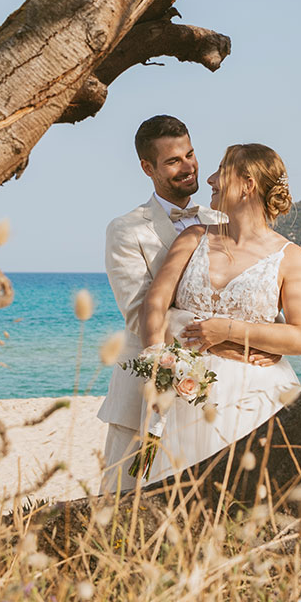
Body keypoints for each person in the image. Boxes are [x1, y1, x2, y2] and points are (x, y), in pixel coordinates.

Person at [138, 143, 301, 481]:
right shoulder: (193, 238)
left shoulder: (291, 258)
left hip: (253, 397)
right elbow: (156, 302)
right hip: (183, 392)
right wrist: (158, 364)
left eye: (222, 170)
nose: (209, 178)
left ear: (247, 184)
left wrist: (226, 332)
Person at [99, 116, 239, 490]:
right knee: (122, 506)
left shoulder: (223, 220)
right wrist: (213, 332)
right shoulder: (127, 229)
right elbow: (138, 312)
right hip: (145, 392)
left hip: (218, 390)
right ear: (148, 168)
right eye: (173, 161)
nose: (189, 166)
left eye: (190, 154)